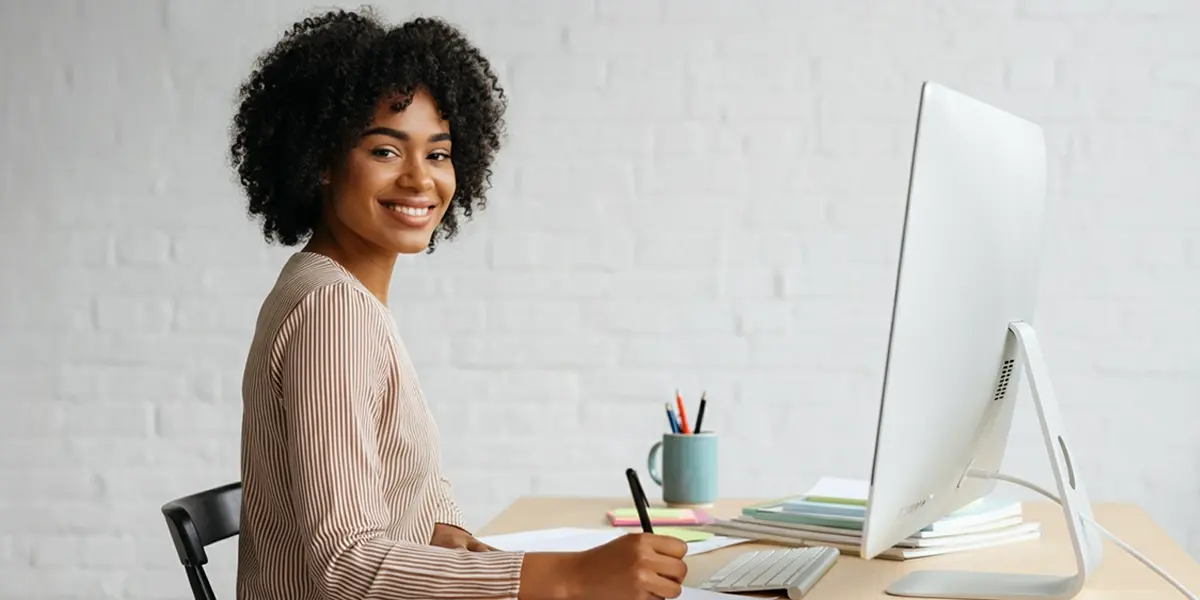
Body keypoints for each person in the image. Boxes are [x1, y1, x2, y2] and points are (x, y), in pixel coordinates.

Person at [230, 7, 689, 600]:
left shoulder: (325, 289)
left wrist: (442, 532)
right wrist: (569, 578)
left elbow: (385, 489)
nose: (421, 180)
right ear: (319, 159)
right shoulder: (332, 315)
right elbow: (347, 566)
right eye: (386, 151)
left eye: (439, 153)